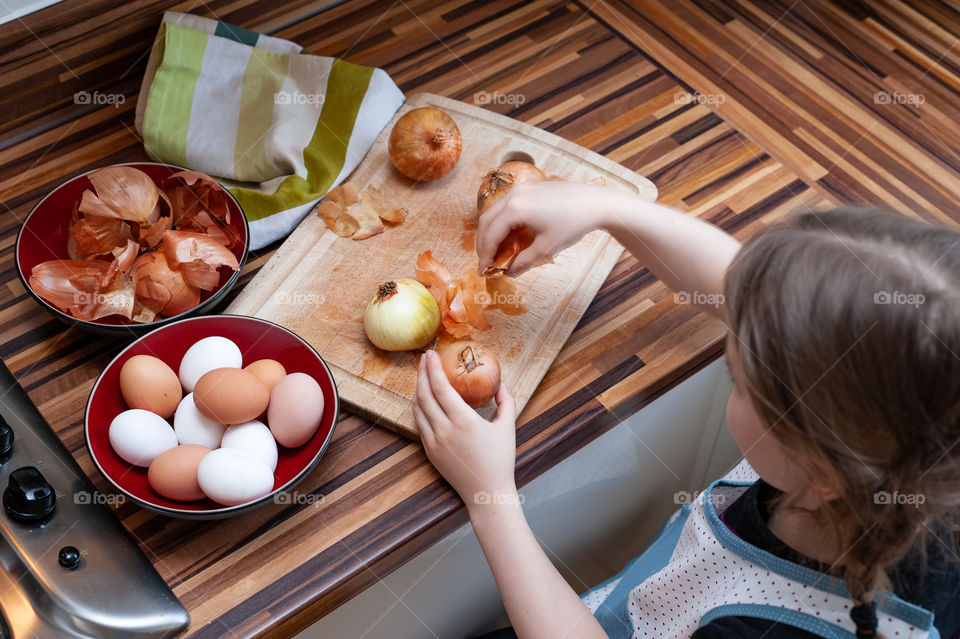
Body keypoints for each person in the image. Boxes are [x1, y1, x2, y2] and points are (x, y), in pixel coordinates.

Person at [412, 180, 960, 639]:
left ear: (820, 471)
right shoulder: (909, 429)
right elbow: (742, 289)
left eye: (737, 381)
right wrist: (611, 210)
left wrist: (491, 498)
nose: (732, 336)